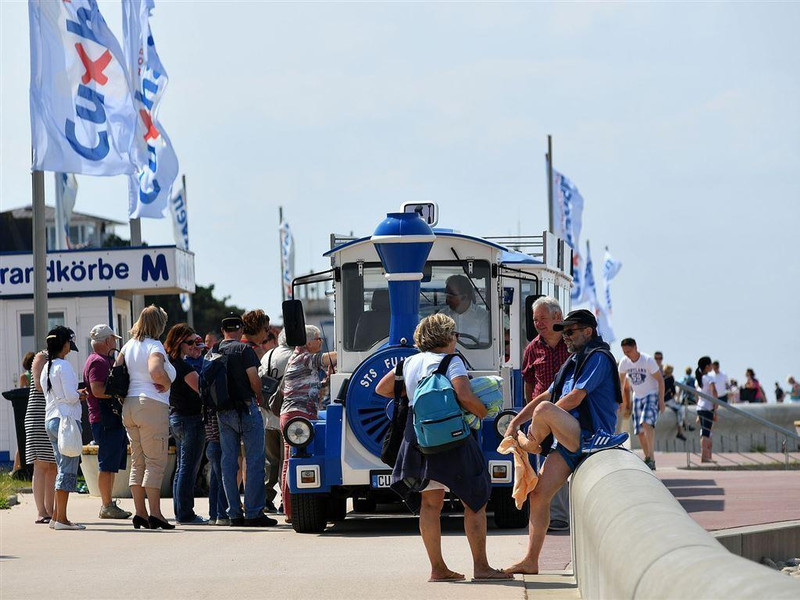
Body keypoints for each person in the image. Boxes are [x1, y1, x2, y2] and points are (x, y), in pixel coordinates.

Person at [375, 314, 510, 582]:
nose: (456, 339)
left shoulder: (409, 362)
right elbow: (464, 395)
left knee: (430, 503)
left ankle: (438, 569)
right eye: (454, 334)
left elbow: (382, 388)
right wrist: (483, 412)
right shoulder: (452, 361)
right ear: (448, 337)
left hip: (419, 438)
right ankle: (481, 567)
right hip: (453, 438)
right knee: (475, 500)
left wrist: (411, 394)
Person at [503, 309, 627, 575]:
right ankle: (531, 561)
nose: (565, 336)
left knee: (545, 411)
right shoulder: (572, 360)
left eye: (570, 331)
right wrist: (514, 422)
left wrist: (545, 422)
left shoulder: (599, 358)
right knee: (538, 495)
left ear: (588, 332)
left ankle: (532, 444)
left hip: (589, 436)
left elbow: (576, 397)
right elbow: (546, 394)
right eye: (563, 331)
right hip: (569, 439)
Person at [118, 305, 177, 530]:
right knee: (155, 461)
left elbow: (117, 371)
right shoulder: (155, 345)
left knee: (138, 461)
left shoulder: (128, 345)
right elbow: (155, 371)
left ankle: (140, 513)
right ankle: (156, 514)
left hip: (130, 405)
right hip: (151, 404)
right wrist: (168, 382)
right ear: (159, 325)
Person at [215, 313, 276, 527]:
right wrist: (258, 395)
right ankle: (253, 512)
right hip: (246, 409)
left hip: (223, 412)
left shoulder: (214, 350)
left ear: (223, 331)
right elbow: (254, 379)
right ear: (240, 329)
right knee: (255, 461)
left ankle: (234, 513)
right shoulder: (244, 350)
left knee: (229, 463)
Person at [520, 296, 571, 532]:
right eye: (535, 319)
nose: (538, 323)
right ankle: (552, 516)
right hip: (541, 414)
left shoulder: (572, 343)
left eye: (542, 318)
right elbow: (529, 382)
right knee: (545, 462)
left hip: (569, 411)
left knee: (563, 459)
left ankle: (561, 515)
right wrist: (529, 410)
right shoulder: (532, 349)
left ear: (557, 318)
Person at [280, 325, 337, 524]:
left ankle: (289, 507)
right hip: (297, 414)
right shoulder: (303, 357)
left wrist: (325, 382)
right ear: (308, 341)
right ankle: (290, 510)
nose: (321, 342)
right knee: (291, 462)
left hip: (302, 413)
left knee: (292, 460)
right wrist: (346, 349)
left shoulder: (302, 359)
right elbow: (330, 358)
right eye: (319, 339)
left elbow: (310, 385)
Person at [83, 324, 131, 520]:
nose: (115, 343)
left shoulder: (100, 360)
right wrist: (119, 393)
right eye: (113, 339)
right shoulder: (99, 362)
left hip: (108, 418)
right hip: (105, 418)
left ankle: (109, 503)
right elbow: (96, 390)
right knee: (107, 464)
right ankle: (106, 505)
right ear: (106, 341)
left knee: (111, 464)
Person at [41, 326, 85, 530]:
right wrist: (81, 394)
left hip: (51, 419)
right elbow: (69, 396)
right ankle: (62, 519)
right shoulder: (64, 366)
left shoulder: (46, 367)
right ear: (64, 344)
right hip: (66, 420)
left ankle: (56, 516)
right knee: (67, 469)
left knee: (61, 467)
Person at [164, 323, 208, 525]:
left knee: (182, 467)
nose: (193, 346)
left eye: (195, 341)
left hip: (177, 418)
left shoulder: (170, 363)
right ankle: (186, 513)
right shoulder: (183, 367)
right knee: (188, 468)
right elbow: (203, 390)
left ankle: (180, 512)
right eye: (189, 342)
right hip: (189, 419)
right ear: (179, 342)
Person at [259, 329, 294, 513]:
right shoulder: (294, 356)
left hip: (266, 415)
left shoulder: (268, 355)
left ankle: (265, 499)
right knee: (286, 460)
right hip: (285, 415)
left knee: (270, 461)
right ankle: (285, 500)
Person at [618, 338, 665, 470]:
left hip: (651, 394)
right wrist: (620, 401)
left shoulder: (647, 360)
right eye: (624, 352)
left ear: (635, 348)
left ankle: (652, 457)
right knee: (639, 431)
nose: (627, 354)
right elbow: (621, 383)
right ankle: (648, 458)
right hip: (637, 396)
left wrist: (661, 400)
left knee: (646, 423)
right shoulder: (624, 362)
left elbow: (661, 380)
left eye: (629, 351)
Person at [24, 348, 57, 524]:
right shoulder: (41, 357)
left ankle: (50, 511)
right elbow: (38, 384)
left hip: (52, 415)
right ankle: (41, 512)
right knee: (41, 465)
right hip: (37, 417)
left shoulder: (59, 361)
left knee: (53, 466)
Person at [439, 274, 490, 344]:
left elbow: (485, 345)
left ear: (464, 297)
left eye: (451, 297)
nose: (446, 301)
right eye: (446, 296)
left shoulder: (483, 316)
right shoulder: (441, 317)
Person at [695, 357, 718, 462]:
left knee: (704, 432)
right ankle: (705, 456)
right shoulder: (709, 378)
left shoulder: (698, 379)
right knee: (706, 432)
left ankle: (707, 455)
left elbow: (697, 396)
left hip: (700, 407)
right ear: (707, 366)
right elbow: (714, 393)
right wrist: (716, 407)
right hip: (708, 407)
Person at [663, 364, 686, 441]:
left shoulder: (661, 377)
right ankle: (680, 430)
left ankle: (684, 424)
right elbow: (673, 391)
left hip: (661, 400)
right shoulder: (670, 378)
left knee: (678, 408)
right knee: (680, 409)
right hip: (668, 400)